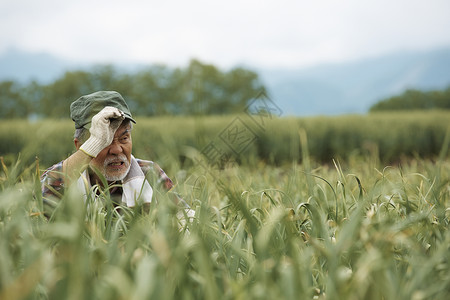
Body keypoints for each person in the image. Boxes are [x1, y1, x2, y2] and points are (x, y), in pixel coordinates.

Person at [41, 90, 185, 218]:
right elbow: (40, 200)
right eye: (105, 141)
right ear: (79, 146)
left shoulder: (149, 173)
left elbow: (186, 219)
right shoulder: (62, 181)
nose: (117, 150)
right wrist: (94, 143)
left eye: (124, 138)